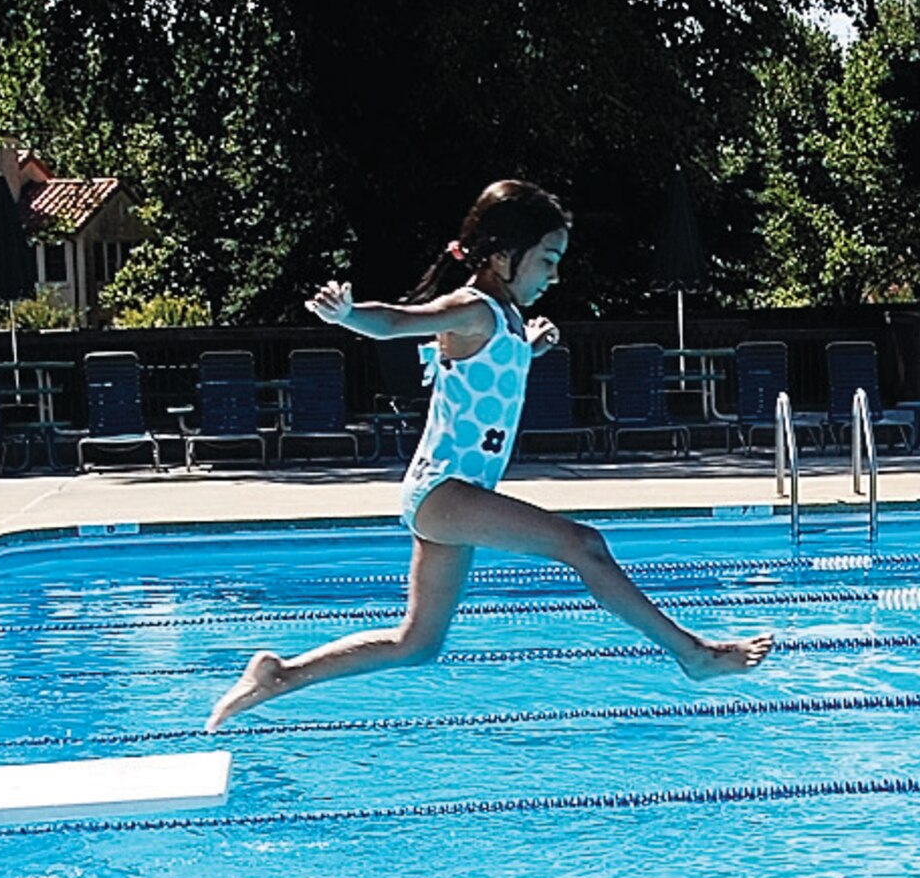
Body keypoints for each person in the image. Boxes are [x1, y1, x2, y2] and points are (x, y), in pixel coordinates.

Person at [207, 179, 771, 731]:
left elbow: (486, 370)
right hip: (445, 490)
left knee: (417, 643)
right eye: (548, 259)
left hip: (451, 492)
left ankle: (279, 674)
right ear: (503, 255)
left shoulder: (504, 320)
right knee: (584, 545)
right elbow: (401, 321)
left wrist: (531, 347)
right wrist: (348, 315)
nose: (555, 274)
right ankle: (693, 652)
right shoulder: (474, 306)